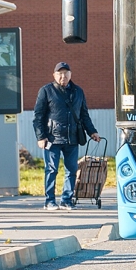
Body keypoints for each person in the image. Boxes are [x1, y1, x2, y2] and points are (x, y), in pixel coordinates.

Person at [33, 62, 101, 211]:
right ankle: (49, 201)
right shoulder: (46, 91)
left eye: (66, 73)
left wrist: (92, 132)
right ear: (54, 75)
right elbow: (38, 117)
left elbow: (84, 115)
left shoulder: (78, 91)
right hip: (52, 138)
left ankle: (66, 200)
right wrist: (40, 137)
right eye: (60, 73)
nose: (63, 76)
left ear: (70, 75)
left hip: (72, 138)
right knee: (51, 169)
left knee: (72, 170)